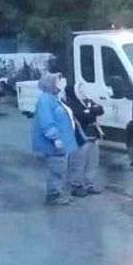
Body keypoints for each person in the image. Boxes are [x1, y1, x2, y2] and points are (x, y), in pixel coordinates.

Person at [30, 72, 77, 206]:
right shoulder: (45, 99)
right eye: (58, 80)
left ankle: (59, 192)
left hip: (62, 141)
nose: (62, 82)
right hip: (54, 142)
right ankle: (53, 194)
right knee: (56, 167)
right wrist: (55, 137)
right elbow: (45, 121)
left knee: (61, 167)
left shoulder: (54, 97)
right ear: (50, 84)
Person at [65, 80, 105, 196]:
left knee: (92, 161)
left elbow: (100, 110)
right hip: (80, 137)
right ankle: (76, 185)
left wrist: (90, 110)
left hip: (93, 135)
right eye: (80, 89)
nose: (82, 91)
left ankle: (89, 184)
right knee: (78, 162)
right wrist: (91, 111)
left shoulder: (87, 101)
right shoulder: (71, 103)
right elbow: (81, 116)